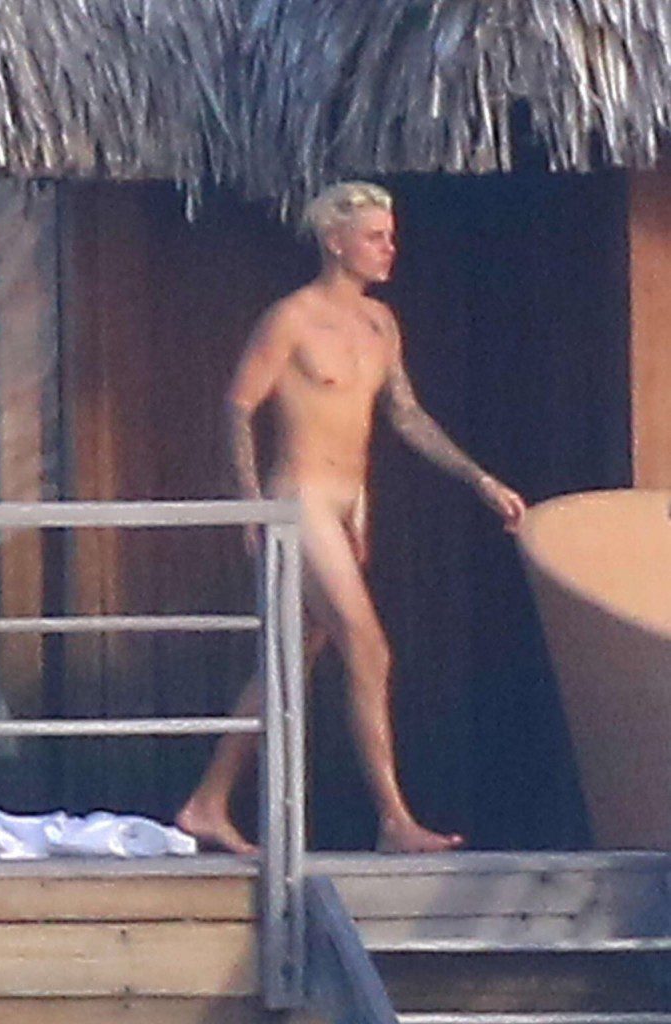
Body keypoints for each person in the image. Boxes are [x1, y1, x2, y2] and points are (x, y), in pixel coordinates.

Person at [176, 181, 526, 854]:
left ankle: (206, 802)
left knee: (289, 659)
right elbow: (239, 407)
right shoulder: (291, 318)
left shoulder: (381, 323)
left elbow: (407, 416)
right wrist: (251, 506)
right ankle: (393, 819)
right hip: (299, 497)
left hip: (344, 503)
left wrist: (479, 479)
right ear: (335, 242)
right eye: (375, 237)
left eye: (391, 236)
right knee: (369, 648)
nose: (389, 248)